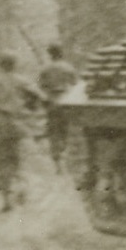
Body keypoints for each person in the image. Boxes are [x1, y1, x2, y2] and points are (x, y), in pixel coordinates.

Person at [0, 51, 44, 211]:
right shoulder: (22, 80)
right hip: (18, 122)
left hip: (0, 122)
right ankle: (22, 188)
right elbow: (39, 96)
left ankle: (6, 199)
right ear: (15, 64)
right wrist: (30, 106)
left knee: (1, 160)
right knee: (19, 157)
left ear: (1, 65)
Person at [37, 43, 79, 172]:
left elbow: (41, 87)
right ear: (61, 53)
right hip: (67, 102)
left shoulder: (45, 69)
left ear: (50, 54)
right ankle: (68, 158)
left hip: (52, 102)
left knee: (54, 132)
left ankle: (58, 163)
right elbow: (76, 85)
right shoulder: (69, 68)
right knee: (68, 130)